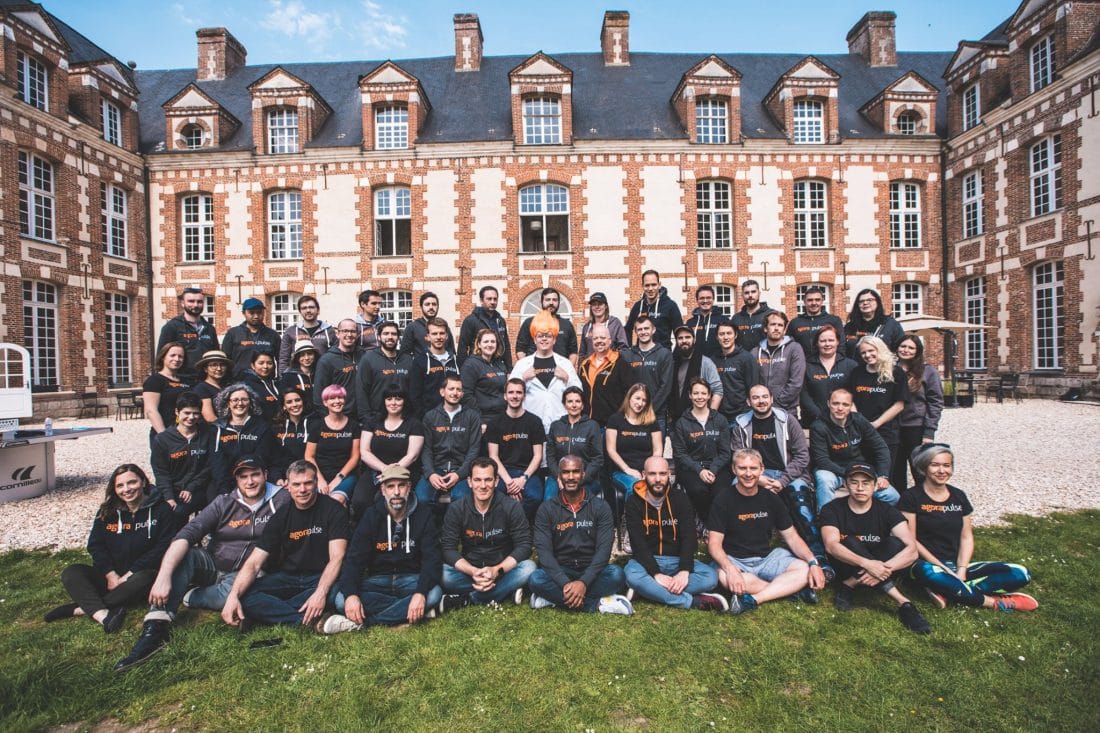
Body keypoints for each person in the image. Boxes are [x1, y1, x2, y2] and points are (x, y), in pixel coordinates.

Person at [113, 457, 289, 671]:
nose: (250, 481)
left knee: (238, 593)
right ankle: (155, 627)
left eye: (255, 475)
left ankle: (191, 595)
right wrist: (163, 576)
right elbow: (186, 534)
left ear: (265, 475)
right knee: (185, 555)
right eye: (243, 477)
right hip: (213, 563)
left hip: (250, 572)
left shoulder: (282, 498)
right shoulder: (224, 502)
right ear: (236, 479)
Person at [900, 444, 1036, 612]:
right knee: (930, 573)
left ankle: (948, 590)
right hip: (924, 564)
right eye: (935, 465)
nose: (941, 471)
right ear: (924, 467)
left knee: (1020, 573)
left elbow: (967, 537)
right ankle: (993, 602)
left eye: (946, 465)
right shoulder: (911, 497)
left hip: (956, 564)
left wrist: (962, 570)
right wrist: (943, 568)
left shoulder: (959, 496)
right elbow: (911, 540)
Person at [45, 465, 177, 634]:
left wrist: (129, 574)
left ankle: (80, 608)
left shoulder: (162, 509)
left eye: (132, 482)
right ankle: (104, 616)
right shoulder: (107, 511)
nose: (126, 489)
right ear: (114, 489)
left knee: (145, 578)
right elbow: (95, 545)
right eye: (120, 485)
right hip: (110, 577)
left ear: (143, 482)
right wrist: (110, 574)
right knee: (72, 572)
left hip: (141, 576)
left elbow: (163, 546)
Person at [221, 460, 348, 630]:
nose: (302, 490)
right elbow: (254, 562)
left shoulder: (334, 509)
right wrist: (233, 597)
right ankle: (304, 620)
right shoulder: (281, 515)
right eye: (296, 484)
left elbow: (337, 558)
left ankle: (269, 614)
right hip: (289, 577)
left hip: (322, 577)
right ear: (288, 486)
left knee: (335, 593)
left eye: (308, 483)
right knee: (245, 595)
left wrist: (320, 593)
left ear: (316, 483)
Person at [322, 465, 442, 632]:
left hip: (410, 579)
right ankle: (410, 612)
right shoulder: (371, 515)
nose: (396, 492)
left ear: (409, 487)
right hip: (378, 581)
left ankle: (366, 624)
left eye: (401, 485)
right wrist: (352, 596)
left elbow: (432, 558)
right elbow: (354, 560)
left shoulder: (423, 514)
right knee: (342, 599)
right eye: (391, 486)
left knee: (433, 593)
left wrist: (420, 593)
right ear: (383, 490)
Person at [706, 449, 825, 614]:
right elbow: (714, 544)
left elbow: (792, 537)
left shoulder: (771, 499)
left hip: (766, 558)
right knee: (724, 578)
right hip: (735, 559)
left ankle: (755, 599)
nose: (748, 474)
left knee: (804, 569)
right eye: (742, 468)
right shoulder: (723, 499)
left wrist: (813, 562)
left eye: (753, 468)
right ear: (734, 469)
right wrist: (731, 569)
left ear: (762, 469)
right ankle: (791, 591)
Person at [818, 462, 930, 633]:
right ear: (846, 484)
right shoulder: (831, 509)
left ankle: (849, 584)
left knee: (896, 543)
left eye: (866, 483)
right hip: (846, 565)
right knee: (849, 542)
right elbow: (831, 546)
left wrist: (882, 569)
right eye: (854, 482)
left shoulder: (887, 510)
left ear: (875, 486)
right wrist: (867, 564)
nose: (860, 488)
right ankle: (902, 601)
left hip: (881, 563)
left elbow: (912, 550)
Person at [731, 384, 824, 572]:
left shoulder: (787, 421)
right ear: (749, 402)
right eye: (756, 398)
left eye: (765, 397)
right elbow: (737, 458)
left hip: (789, 473)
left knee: (800, 502)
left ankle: (818, 556)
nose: (761, 401)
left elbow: (802, 456)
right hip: (756, 474)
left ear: (772, 399)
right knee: (735, 487)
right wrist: (759, 478)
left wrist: (783, 480)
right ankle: (742, 554)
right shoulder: (741, 425)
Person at [528, 455, 633, 614]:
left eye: (576, 472)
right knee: (536, 579)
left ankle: (553, 598)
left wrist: (583, 582)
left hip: (591, 569)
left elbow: (604, 551)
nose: (571, 477)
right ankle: (598, 604)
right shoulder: (546, 509)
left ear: (583, 474)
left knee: (617, 575)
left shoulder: (600, 507)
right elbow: (544, 554)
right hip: (561, 569)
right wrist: (565, 583)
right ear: (559, 476)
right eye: (566, 472)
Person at [624, 457, 726, 611]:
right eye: (652, 474)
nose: (658, 479)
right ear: (644, 475)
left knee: (710, 577)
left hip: (676, 561)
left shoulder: (680, 498)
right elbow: (638, 543)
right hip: (646, 562)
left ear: (669, 474)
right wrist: (656, 573)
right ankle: (692, 601)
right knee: (631, 575)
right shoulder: (633, 502)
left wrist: (684, 571)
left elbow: (689, 537)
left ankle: (648, 590)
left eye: (662, 473)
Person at [439, 459, 536, 608]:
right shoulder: (457, 508)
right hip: (470, 571)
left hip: (503, 570)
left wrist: (496, 570)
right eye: (477, 480)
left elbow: (524, 546)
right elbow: (448, 548)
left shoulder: (511, 507)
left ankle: (469, 598)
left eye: (488, 480)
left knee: (529, 568)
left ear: (496, 481)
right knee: (441, 572)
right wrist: (473, 571)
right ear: (469, 482)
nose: (483, 486)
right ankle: (504, 591)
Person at [809, 388, 896, 510]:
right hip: (832, 471)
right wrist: (848, 474)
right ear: (828, 403)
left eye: (845, 404)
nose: (840, 408)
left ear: (851, 406)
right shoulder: (818, 426)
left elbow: (881, 447)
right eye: (836, 403)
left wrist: (883, 475)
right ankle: (825, 517)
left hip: (859, 469)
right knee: (824, 479)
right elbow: (822, 460)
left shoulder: (858, 420)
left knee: (892, 496)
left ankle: (872, 518)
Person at [670, 378, 731, 524]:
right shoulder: (682, 423)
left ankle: (715, 525)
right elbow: (680, 454)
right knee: (699, 491)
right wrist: (699, 470)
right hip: (691, 468)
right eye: (696, 393)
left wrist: (713, 470)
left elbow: (725, 452)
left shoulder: (720, 420)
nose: (700, 397)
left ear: (709, 395)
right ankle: (708, 523)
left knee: (721, 492)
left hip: (717, 467)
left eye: (703, 393)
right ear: (690, 395)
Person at [416, 375, 482, 509]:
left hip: (462, 470)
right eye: (451, 389)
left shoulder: (472, 416)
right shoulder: (430, 417)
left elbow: (474, 449)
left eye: (459, 390)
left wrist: (459, 474)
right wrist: (431, 474)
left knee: (461, 498)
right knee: (422, 498)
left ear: (462, 394)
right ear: (442, 392)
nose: (455, 393)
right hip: (436, 469)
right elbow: (426, 449)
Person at [357, 388, 425, 517]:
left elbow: (412, 455)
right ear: (384, 401)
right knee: (360, 501)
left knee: (382, 501)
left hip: (404, 472)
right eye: (389, 399)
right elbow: (364, 452)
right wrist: (384, 469)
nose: (393, 403)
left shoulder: (414, 424)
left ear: (404, 401)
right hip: (375, 472)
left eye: (398, 399)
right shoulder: (372, 422)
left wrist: (391, 472)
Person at [511, 310, 582, 432]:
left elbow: (579, 393)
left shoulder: (565, 364)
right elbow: (510, 394)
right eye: (540, 336)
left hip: (560, 426)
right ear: (534, 339)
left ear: (554, 340)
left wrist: (567, 379)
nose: (544, 339)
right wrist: (523, 378)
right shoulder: (522, 365)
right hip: (530, 427)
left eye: (548, 336)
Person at [487, 378, 547, 521]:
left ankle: (521, 528)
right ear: (505, 396)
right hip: (503, 472)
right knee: (493, 495)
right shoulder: (495, 423)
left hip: (528, 473)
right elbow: (493, 456)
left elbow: (538, 456)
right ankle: (504, 528)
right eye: (511, 392)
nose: (515, 396)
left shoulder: (535, 421)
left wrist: (523, 479)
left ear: (524, 396)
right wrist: (509, 482)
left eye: (519, 392)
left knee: (535, 497)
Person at [850, 335, 910, 475]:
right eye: (863, 352)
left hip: (887, 432)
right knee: (864, 475)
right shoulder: (857, 372)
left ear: (880, 349)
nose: (867, 355)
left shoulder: (896, 373)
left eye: (871, 350)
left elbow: (899, 404)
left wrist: (877, 423)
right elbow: (850, 399)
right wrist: (859, 422)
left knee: (885, 475)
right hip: (861, 432)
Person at [894, 335, 944, 489]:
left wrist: (929, 432)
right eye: (903, 346)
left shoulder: (928, 372)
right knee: (896, 472)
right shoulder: (889, 370)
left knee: (920, 471)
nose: (906, 350)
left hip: (916, 427)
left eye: (911, 347)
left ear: (917, 351)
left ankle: (923, 500)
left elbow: (935, 402)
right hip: (893, 427)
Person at [150, 392, 211, 518]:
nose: (191, 417)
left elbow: (209, 467)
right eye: (187, 413)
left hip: (200, 487)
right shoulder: (163, 439)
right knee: (173, 513)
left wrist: (191, 488)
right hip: (174, 489)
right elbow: (161, 472)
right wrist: (169, 497)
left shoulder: (207, 435)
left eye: (195, 413)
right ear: (177, 412)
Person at [209, 384, 276, 495]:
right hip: (225, 483)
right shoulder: (217, 428)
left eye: (244, 399)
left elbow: (263, 458)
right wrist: (225, 491)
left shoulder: (262, 427)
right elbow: (217, 463)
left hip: (253, 481)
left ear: (251, 402)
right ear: (228, 403)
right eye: (235, 400)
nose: (240, 403)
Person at [605, 383, 663, 512]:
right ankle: (631, 520)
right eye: (637, 398)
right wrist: (628, 470)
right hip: (621, 472)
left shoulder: (652, 422)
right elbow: (611, 450)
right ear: (629, 398)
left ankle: (654, 521)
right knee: (636, 487)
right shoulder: (615, 420)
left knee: (661, 486)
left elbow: (658, 450)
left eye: (644, 400)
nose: (640, 403)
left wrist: (649, 472)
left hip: (647, 471)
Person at [544, 386, 604, 501]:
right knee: (550, 499)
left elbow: (598, 458)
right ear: (564, 404)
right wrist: (559, 477)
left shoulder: (592, 426)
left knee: (580, 502)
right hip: (558, 477)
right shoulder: (556, 426)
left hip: (585, 478)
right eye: (570, 401)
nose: (574, 405)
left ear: (582, 405)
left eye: (578, 401)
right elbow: (550, 456)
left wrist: (582, 478)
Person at [305, 385, 360, 506]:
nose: (337, 401)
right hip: (319, 474)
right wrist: (320, 480)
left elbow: (355, 457)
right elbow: (309, 456)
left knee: (336, 500)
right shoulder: (317, 425)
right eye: (332, 398)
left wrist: (339, 478)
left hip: (345, 475)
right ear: (325, 402)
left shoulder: (354, 426)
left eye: (340, 397)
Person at [799, 324, 859, 429]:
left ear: (838, 342)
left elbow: (856, 394)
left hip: (844, 422)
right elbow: (803, 395)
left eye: (831, 340)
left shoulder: (850, 365)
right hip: (814, 422)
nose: (827, 344)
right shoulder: (806, 366)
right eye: (823, 341)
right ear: (817, 343)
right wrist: (821, 416)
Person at [355, 320, 412, 427]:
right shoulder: (368, 359)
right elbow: (361, 390)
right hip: (377, 419)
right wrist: (366, 418)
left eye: (394, 334)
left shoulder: (407, 360)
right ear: (379, 337)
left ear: (398, 338)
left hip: (404, 419)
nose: (390, 337)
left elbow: (413, 390)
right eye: (386, 333)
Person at [624, 315, 673, 432]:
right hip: (633, 414)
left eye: (646, 328)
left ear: (653, 330)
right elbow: (624, 384)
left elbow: (666, 386)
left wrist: (649, 409)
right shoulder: (628, 355)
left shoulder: (664, 354)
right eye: (639, 329)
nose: (643, 332)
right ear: (635, 332)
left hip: (656, 415)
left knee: (656, 445)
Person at [157, 287, 218, 381]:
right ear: (182, 303)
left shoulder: (210, 329)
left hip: (205, 381)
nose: (195, 305)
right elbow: (160, 358)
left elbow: (215, 356)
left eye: (199, 302)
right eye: (191, 301)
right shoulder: (171, 327)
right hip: (181, 380)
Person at [668, 325, 723, 424]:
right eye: (680, 338)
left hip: (699, 420)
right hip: (676, 419)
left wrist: (710, 418)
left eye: (687, 337)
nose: (684, 340)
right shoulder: (673, 362)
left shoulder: (705, 362)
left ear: (694, 339)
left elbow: (718, 390)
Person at [408, 317, 461, 419]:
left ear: (447, 336)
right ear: (427, 337)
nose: (438, 337)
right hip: (430, 418)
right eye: (434, 334)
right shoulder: (420, 361)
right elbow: (414, 395)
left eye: (442, 333)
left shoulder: (456, 360)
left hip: (455, 417)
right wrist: (425, 417)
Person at [754, 311, 806, 414]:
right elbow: (753, 382)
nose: (776, 328)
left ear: (785, 329)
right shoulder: (755, 352)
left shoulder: (794, 349)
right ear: (765, 328)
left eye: (780, 325)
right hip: (761, 410)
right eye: (773, 324)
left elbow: (796, 382)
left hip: (787, 410)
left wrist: (779, 403)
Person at [712, 321, 759, 431]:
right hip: (720, 416)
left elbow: (753, 386)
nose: (725, 337)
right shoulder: (713, 360)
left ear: (736, 335)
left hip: (741, 415)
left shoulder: (746, 358)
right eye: (722, 334)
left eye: (729, 333)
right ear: (717, 337)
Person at [460, 328, 509, 432]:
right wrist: (479, 420)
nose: (489, 345)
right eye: (486, 341)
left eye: (493, 341)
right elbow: (466, 395)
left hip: (502, 416)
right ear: (479, 344)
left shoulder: (500, 364)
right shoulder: (471, 364)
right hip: (483, 419)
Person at [143, 342, 191, 446]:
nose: (177, 359)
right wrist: (165, 436)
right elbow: (151, 411)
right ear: (163, 357)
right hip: (166, 432)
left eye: (180, 356)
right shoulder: (154, 380)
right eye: (172, 355)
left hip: (186, 432)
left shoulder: (187, 381)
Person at [515, 287, 579, 365]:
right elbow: (520, 349)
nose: (551, 303)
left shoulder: (567, 324)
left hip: (560, 369)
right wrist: (527, 367)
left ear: (558, 302)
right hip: (534, 369)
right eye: (547, 300)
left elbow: (573, 352)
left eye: (554, 300)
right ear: (541, 302)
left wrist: (568, 369)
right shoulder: (530, 322)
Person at [221, 298, 279, 379]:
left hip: (266, 382)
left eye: (259, 312)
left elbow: (281, 359)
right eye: (251, 313)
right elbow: (225, 359)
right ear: (243, 313)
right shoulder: (233, 333)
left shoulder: (273, 335)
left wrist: (279, 379)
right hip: (239, 381)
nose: (256, 316)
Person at [277, 295, 336, 373]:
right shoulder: (291, 331)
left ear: (318, 310)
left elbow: (336, 356)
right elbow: (284, 359)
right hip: (298, 376)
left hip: (323, 375)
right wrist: (284, 378)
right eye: (304, 308)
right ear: (300, 312)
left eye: (311, 307)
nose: (308, 310)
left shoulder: (329, 331)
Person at [624, 269, 682, 349]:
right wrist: (629, 350)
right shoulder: (638, 306)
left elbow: (680, 333)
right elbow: (627, 329)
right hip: (641, 353)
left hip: (663, 354)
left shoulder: (670, 306)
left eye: (653, 285)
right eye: (647, 285)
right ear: (642, 286)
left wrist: (675, 354)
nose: (650, 288)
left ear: (659, 285)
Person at [314, 318, 360, 418]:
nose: (349, 334)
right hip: (339, 417)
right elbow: (318, 395)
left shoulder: (364, 356)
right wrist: (329, 420)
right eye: (345, 331)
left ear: (357, 334)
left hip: (362, 417)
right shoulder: (327, 360)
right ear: (338, 334)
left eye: (353, 331)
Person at [458, 285, 512, 367]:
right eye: (489, 299)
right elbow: (462, 347)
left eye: (495, 299)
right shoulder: (471, 320)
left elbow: (506, 345)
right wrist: (464, 369)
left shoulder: (500, 320)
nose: (492, 302)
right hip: (478, 365)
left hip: (497, 365)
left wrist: (509, 368)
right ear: (481, 300)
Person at [843, 288, 904, 356]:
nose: (865, 303)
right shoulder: (850, 327)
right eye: (861, 301)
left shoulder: (891, 324)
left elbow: (901, 348)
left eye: (870, 300)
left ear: (877, 302)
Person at [788, 286, 843, 357]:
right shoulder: (795, 323)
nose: (814, 303)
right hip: (803, 362)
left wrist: (837, 361)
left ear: (822, 301)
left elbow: (841, 345)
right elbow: (788, 347)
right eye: (810, 300)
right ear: (804, 301)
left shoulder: (834, 320)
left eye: (817, 300)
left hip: (827, 362)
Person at [271, 388, 310, 485]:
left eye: (297, 400)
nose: (294, 404)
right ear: (284, 406)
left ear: (303, 402)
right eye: (289, 402)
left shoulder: (314, 424)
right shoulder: (276, 428)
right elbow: (273, 459)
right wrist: (278, 478)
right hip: (285, 479)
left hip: (309, 476)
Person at [399, 291, 456, 358]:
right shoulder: (412, 327)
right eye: (427, 304)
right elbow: (404, 354)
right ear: (421, 307)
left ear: (438, 307)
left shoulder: (444, 327)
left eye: (434, 304)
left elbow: (451, 351)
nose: (431, 307)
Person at [579, 292, 628, 360]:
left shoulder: (615, 323)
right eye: (594, 304)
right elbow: (582, 353)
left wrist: (615, 362)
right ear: (591, 308)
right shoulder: (587, 327)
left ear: (606, 306)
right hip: (591, 365)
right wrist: (582, 366)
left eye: (600, 304)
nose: (597, 307)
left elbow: (623, 348)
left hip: (610, 365)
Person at [685, 285, 730, 359]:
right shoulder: (690, 323)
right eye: (702, 298)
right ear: (697, 300)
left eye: (708, 298)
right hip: (696, 362)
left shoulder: (724, 320)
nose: (705, 301)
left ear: (713, 299)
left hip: (719, 362)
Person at [729, 280, 773, 352]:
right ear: (742, 295)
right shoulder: (736, 318)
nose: (750, 295)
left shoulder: (771, 315)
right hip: (742, 358)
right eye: (746, 293)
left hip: (764, 357)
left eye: (753, 292)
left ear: (759, 293)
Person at [191, 349, 231, 424]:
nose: (219, 369)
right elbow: (210, 418)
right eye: (214, 365)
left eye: (222, 365)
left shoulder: (229, 386)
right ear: (205, 369)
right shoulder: (201, 388)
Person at [240, 351, 281, 422]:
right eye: (261, 363)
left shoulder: (277, 383)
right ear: (253, 365)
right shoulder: (247, 386)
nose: (265, 366)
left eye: (269, 363)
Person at [278, 341, 318, 409]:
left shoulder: (319, 372)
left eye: (309, 354)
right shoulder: (288, 376)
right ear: (297, 357)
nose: (306, 358)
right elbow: (282, 399)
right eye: (302, 355)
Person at [353, 289, 384, 354]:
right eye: (374, 303)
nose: (378, 307)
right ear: (363, 304)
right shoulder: (354, 326)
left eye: (379, 303)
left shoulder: (384, 324)